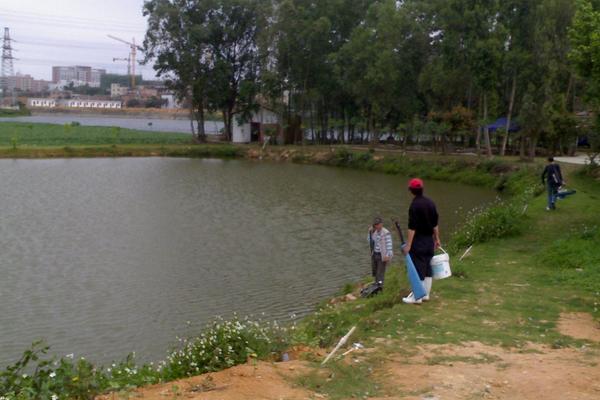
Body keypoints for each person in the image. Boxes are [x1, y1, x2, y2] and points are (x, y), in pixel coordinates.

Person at [402, 178, 440, 304]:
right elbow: (435, 224)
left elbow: (412, 228)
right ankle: (426, 295)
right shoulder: (430, 203)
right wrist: (437, 239)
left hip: (419, 241)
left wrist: (408, 245)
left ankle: (416, 297)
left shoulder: (414, 205)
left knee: (418, 268)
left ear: (411, 191)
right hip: (429, 240)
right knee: (428, 269)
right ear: (422, 189)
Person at [368, 217, 393, 288]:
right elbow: (370, 241)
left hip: (382, 255)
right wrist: (369, 232)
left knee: (380, 272)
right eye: (375, 225)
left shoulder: (386, 233)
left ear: (381, 224)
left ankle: (380, 286)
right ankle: (376, 285)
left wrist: (388, 255)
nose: (377, 226)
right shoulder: (374, 232)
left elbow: (389, 245)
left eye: (378, 224)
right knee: (375, 271)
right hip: (375, 254)